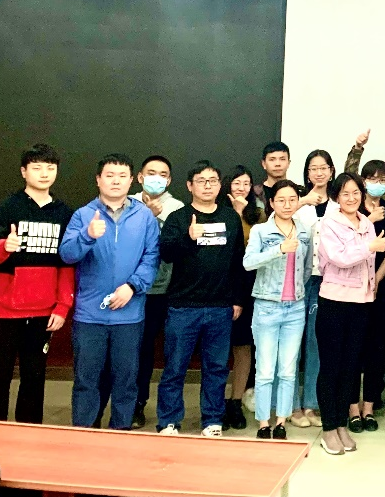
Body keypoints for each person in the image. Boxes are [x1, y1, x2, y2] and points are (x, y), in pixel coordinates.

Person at [60, 153, 161, 430]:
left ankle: (121, 432)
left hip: (129, 314)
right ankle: (84, 433)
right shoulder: (83, 215)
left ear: (131, 181)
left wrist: (132, 286)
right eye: (109, 175)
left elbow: (152, 259)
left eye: (121, 176)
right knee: (86, 380)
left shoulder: (145, 217)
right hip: (89, 315)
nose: (116, 181)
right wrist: (87, 235)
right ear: (98, 180)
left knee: (126, 380)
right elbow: (67, 254)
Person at [0, 144, 74, 424]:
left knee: (34, 377)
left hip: (42, 311)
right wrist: (3, 247)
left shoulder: (64, 213)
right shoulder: (7, 207)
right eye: (37, 167)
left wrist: (62, 306)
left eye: (50, 168)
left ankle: (29, 432)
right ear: (24, 171)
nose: (44, 173)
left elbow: (67, 263)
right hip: (2, 310)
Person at [155, 161, 248, 438]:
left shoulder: (231, 218)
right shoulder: (178, 218)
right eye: (201, 180)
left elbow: (238, 262)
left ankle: (212, 420)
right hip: (183, 306)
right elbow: (166, 253)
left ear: (219, 185)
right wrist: (188, 237)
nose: (207, 186)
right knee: (175, 368)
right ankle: (169, 421)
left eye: (213, 180)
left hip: (221, 307)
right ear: (189, 185)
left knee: (217, 369)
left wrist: (237, 299)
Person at [103, 155, 185, 430]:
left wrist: (156, 218)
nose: (156, 178)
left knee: (146, 350)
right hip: (124, 289)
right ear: (139, 177)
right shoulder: (125, 202)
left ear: (169, 180)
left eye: (162, 174)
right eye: (151, 173)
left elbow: (173, 250)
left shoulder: (178, 208)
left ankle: (137, 404)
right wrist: (144, 216)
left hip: (160, 291)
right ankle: (106, 404)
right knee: (119, 351)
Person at [315, 173, 384, 455]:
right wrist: (368, 247)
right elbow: (339, 257)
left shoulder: (366, 223)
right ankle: (328, 428)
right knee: (331, 367)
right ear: (336, 197)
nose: (352, 198)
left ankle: (341, 424)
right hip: (334, 301)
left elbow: (369, 264)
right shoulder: (329, 223)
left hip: (361, 303)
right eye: (345, 193)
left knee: (351, 367)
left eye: (356, 192)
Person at [243, 180, 312, 440]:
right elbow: (248, 263)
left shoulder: (304, 230)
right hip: (267, 307)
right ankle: (264, 422)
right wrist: (279, 249)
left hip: (295, 308)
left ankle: (282, 421)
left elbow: (307, 268)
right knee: (265, 370)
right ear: (271, 203)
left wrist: (296, 291)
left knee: (288, 370)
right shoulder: (261, 231)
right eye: (281, 200)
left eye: (292, 199)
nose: (287, 204)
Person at [352, 160, 385, 431]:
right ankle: (352, 408)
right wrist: (367, 221)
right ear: (363, 181)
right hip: (350, 287)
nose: (377, 183)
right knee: (352, 347)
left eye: (383, 179)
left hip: (381, 287)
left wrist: (376, 279)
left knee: (376, 347)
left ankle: (369, 406)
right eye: (372, 178)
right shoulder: (352, 208)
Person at [290, 149, 336, 429]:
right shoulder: (297, 202)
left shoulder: (338, 204)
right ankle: (292, 405)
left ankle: (311, 402)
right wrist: (301, 201)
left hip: (327, 281)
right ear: (307, 174)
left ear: (331, 171)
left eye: (323, 168)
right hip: (297, 281)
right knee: (293, 342)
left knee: (316, 343)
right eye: (313, 168)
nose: (319, 173)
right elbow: (276, 220)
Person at [221, 164, 267, 430]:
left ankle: (235, 401)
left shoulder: (257, 215)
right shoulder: (215, 211)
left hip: (247, 287)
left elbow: (254, 251)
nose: (241, 188)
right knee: (216, 347)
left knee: (243, 345)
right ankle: (214, 402)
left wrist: (240, 214)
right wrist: (233, 214)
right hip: (218, 286)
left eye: (246, 184)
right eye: (236, 183)